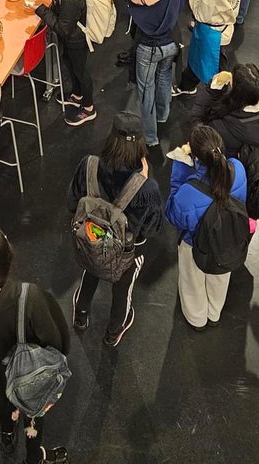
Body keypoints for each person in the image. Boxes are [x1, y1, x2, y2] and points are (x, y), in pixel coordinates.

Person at [0, 223, 69, 464]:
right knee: (33, 413)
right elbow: (55, 342)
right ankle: (34, 456)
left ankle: (7, 435)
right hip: (27, 373)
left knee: (0, 394)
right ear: (8, 261)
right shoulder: (29, 297)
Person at [67, 111, 163, 347]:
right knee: (122, 289)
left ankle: (81, 315)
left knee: (90, 271)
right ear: (141, 143)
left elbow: (72, 201)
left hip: (91, 237)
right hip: (126, 252)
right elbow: (153, 227)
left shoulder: (88, 165)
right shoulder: (147, 187)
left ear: (110, 138)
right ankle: (113, 332)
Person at [164, 124, 249, 329]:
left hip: (196, 244)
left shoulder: (188, 191)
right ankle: (214, 312)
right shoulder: (237, 168)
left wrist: (180, 169)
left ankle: (197, 318)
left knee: (193, 280)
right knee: (219, 278)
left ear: (195, 156)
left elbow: (172, 215)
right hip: (228, 237)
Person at [124, 0, 184, 150]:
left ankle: (150, 137)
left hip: (148, 48)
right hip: (171, 44)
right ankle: (163, 114)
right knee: (164, 77)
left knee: (145, 89)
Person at [190, 61, 259, 158]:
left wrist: (212, 90)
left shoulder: (223, 127)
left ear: (237, 93)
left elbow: (198, 130)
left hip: (228, 159)